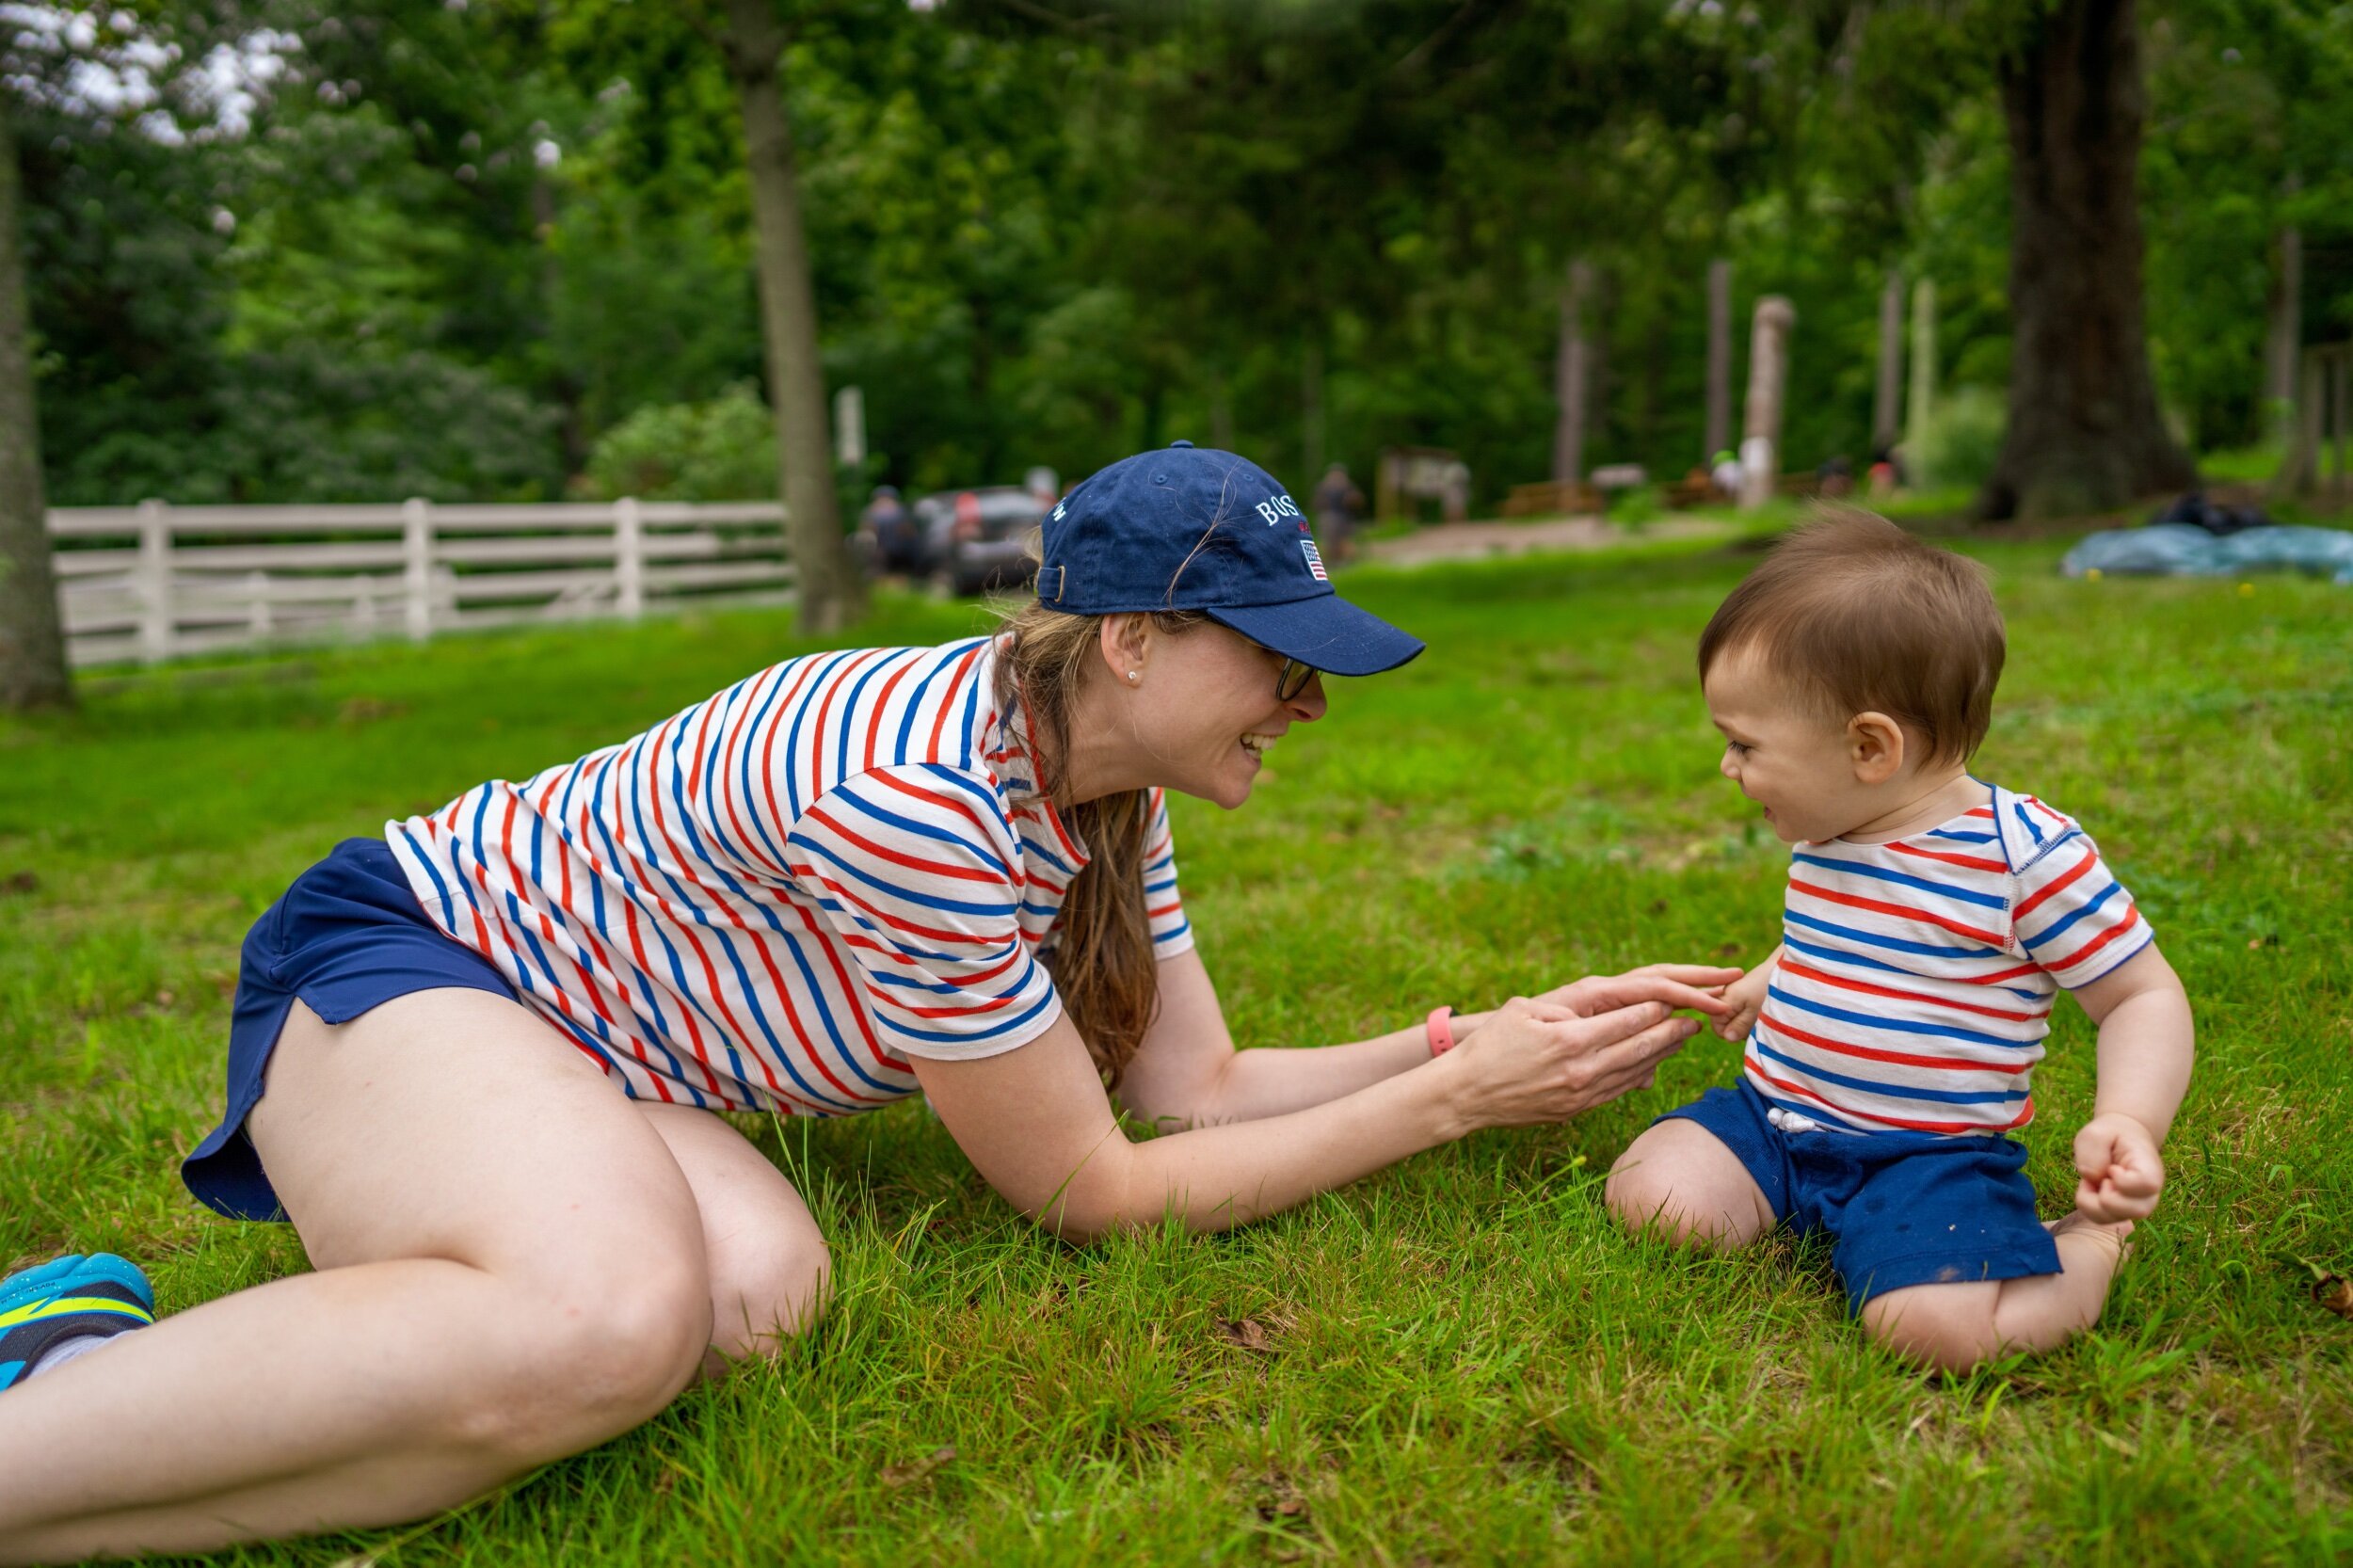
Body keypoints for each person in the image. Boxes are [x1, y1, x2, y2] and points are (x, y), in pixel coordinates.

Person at [0, 442, 1737, 1560]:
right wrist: (1448, 1105)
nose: (1307, 701)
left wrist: (1479, 1038)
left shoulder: (1101, 787)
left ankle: (89, 1377)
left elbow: (1193, 1090)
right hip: (407, 969)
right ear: (1133, 639)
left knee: (752, 1306)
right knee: (604, 1323)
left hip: (585, 1045)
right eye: (1277, 659)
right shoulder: (915, 800)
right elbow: (1094, 1190)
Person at [1607, 510, 2195, 1373]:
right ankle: (1819, 1214)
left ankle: (2092, 1243)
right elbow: (1846, 939)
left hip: (1928, 1157)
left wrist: (2129, 1120)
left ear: (1869, 747)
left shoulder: (2024, 859)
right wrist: (1772, 978)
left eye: (1743, 744)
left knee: (1935, 1332)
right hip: (1776, 1117)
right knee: (1653, 1197)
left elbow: (2141, 996)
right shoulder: (1833, 826)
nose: (1727, 767)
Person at [1312, 462, 1366, 562]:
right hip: (1328, 517)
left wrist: (1351, 499)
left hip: (1346, 517)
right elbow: (1316, 503)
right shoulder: (1323, 487)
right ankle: (1330, 559)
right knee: (1329, 534)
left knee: (1345, 540)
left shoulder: (1348, 486)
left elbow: (1359, 500)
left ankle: (1346, 559)